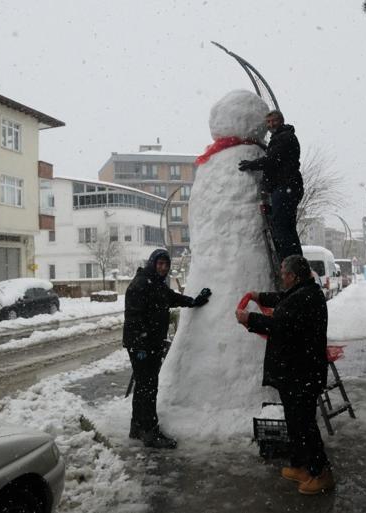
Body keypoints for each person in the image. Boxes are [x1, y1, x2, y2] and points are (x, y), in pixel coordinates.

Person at [235, 255, 334, 495]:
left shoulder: (305, 298)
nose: (281, 276)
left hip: (302, 372)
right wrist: (259, 296)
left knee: (305, 423)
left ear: (293, 275)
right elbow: (282, 300)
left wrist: (249, 319)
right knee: (295, 421)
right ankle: (301, 466)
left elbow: (278, 323)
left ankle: (321, 473)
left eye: (283, 273)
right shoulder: (303, 291)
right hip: (295, 372)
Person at [123, 248, 212, 449]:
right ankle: (150, 432)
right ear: (152, 263)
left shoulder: (155, 283)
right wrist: (141, 345)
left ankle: (137, 428)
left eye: (166, 264)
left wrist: (195, 301)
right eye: (160, 263)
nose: (163, 267)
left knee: (143, 388)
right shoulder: (141, 284)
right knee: (148, 388)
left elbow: (173, 298)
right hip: (142, 346)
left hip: (149, 344)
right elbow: (133, 317)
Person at [238, 110, 303, 261]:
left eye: (274, 121)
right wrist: (260, 144)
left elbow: (273, 160)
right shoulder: (281, 137)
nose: (270, 124)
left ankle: (288, 263)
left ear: (281, 120)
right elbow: (274, 155)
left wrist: (251, 164)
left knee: (281, 228)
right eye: (268, 122)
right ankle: (294, 261)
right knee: (287, 227)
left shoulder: (285, 137)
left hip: (286, 187)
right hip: (288, 187)